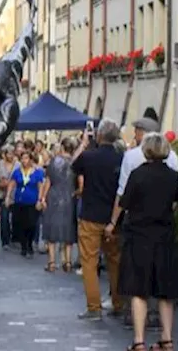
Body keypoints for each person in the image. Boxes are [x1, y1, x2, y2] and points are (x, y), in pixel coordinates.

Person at [115, 133, 178, 351]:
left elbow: (125, 202)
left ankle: (139, 340)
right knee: (166, 291)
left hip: (139, 236)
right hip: (164, 236)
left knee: (139, 289)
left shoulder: (137, 174)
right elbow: (177, 201)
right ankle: (166, 338)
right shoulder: (173, 176)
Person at [71, 118, 125, 321]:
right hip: (113, 217)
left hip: (91, 216)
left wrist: (84, 143)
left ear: (99, 136)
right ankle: (118, 302)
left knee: (89, 262)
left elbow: (73, 165)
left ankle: (94, 307)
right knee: (115, 262)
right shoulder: (121, 158)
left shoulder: (89, 157)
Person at [40, 137, 79, 273]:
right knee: (68, 228)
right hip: (69, 196)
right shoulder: (75, 163)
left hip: (54, 196)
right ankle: (67, 261)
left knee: (51, 228)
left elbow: (48, 182)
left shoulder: (53, 162)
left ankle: (51, 262)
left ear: (62, 147)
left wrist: (42, 198)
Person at [6, 151, 45, 258]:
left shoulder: (37, 172)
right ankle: (24, 246)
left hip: (32, 202)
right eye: (22, 158)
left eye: (26, 158)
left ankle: (29, 242)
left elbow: (40, 186)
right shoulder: (17, 172)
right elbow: (12, 184)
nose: (24, 161)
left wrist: (40, 199)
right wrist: (8, 197)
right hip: (20, 201)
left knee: (32, 224)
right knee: (21, 224)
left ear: (31, 160)